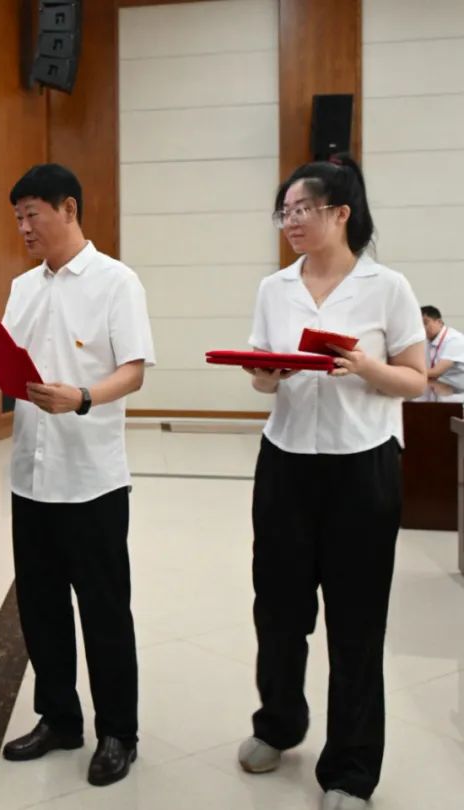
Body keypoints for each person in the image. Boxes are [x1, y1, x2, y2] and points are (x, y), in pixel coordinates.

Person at [236, 155, 426, 810]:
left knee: (356, 622)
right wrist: (266, 376)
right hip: (286, 461)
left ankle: (350, 768)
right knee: (278, 610)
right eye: (284, 211)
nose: (290, 221)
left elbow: (415, 379)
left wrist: (366, 367)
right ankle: (278, 723)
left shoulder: (387, 287)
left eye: (302, 210)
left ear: (341, 213)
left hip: (361, 466)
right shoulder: (274, 288)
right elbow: (262, 376)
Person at [0, 163, 154, 788]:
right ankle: (59, 718)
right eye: (17, 217)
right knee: (40, 607)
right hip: (32, 478)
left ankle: (118, 731)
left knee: (104, 609)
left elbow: (134, 370)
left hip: (93, 478)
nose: (23, 227)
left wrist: (84, 397)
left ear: (68, 209)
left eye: (32, 215)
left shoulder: (116, 282)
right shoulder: (24, 288)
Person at [419, 305, 464, 397]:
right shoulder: (427, 340)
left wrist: (408, 374)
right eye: (419, 325)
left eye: (425, 323)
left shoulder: (454, 340)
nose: (422, 328)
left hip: (458, 393)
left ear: (439, 322)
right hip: (441, 389)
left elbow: (436, 372)